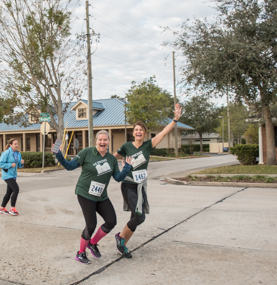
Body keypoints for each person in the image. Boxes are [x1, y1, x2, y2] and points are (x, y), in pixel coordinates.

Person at [113, 103, 183, 258]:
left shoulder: (147, 145)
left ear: (145, 133)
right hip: (128, 184)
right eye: (136, 130)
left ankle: (123, 244)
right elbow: (113, 158)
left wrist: (175, 120)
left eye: (141, 130)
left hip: (140, 186)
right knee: (139, 216)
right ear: (133, 133)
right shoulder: (126, 146)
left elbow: (163, 133)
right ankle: (120, 238)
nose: (139, 132)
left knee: (135, 217)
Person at [55, 130, 133, 264]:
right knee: (91, 225)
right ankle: (80, 253)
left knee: (111, 221)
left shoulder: (111, 159)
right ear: (96, 141)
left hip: (101, 195)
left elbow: (118, 178)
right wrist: (58, 154)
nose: (103, 142)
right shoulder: (87, 153)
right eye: (100, 140)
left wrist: (127, 168)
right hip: (85, 193)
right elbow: (69, 166)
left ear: (109, 142)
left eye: (105, 140)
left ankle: (93, 243)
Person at [0, 138, 24, 216]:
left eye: (17, 144)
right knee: (16, 189)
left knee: (9, 192)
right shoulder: (6, 153)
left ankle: (1, 208)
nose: (17, 145)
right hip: (7, 175)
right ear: (10, 145)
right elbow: (0, 163)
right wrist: (10, 165)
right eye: (15, 144)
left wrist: (21, 163)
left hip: (13, 175)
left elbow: (18, 165)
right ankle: (12, 208)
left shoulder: (18, 154)